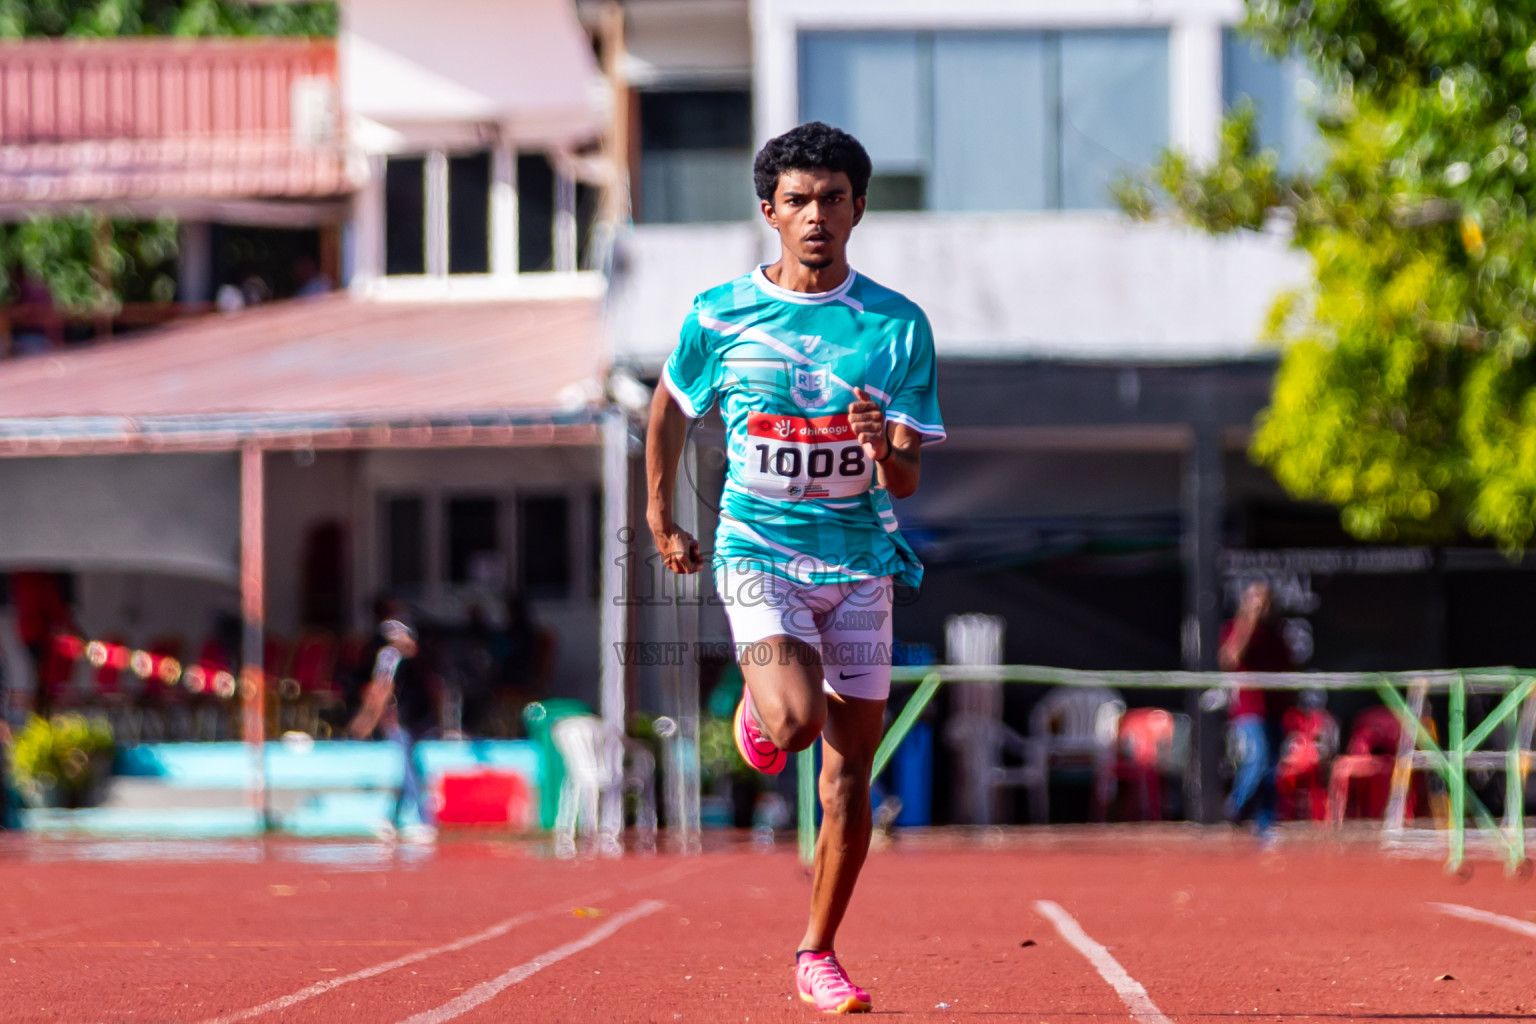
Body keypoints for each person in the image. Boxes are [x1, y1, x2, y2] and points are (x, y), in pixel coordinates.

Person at [647, 121, 943, 1015]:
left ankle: (818, 953)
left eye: (834, 199)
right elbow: (670, 409)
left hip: (859, 565)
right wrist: (662, 512)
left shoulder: (897, 327)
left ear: (859, 208)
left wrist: (876, 447)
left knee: (850, 773)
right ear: (769, 211)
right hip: (757, 552)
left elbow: (909, 473)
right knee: (801, 722)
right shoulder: (718, 314)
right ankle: (765, 700)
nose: (817, 215)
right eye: (800, 201)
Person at [348, 599, 438, 843]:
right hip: (412, 717)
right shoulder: (405, 658)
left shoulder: (396, 657)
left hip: (405, 719)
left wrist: (365, 721)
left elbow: (382, 690)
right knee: (406, 767)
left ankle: (423, 820)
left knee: (409, 768)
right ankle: (393, 818)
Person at [1217, 582, 1294, 838]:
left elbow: (1290, 671)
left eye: (1266, 602)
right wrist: (1248, 620)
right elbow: (1231, 659)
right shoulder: (1235, 628)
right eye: (1256, 601)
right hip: (1249, 712)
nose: (1262, 607)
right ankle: (1235, 809)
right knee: (1258, 759)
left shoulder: (1276, 634)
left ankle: (1265, 825)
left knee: (1272, 768)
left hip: (1275, 710)